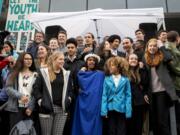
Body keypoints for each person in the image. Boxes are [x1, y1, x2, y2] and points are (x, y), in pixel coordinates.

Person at [32, 51, 73, 135]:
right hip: (46, 108)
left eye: (63, 59)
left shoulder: (66, 74)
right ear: (54, 60)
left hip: (62, 109)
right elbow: (36, 89)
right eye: (60, 59)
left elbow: (70, 90)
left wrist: (69, 99)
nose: (62, 61)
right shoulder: (43, 72)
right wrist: (41, 101)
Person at [143, 38, 178, 135]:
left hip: (162, 92)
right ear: (147, 47)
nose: (152, 48)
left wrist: (162, 46)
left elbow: (169, 57)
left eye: (154, 46)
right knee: (154, 121)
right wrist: (145, 92)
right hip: (151, 93)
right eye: (150, 46)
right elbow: (145, 79)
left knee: (162, 121)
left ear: (157, 47)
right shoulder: (145, 58)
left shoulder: (162, 56)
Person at [72, 53, 104, 135]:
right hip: (83, 102)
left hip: (95, 103)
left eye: (93, 60)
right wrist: (81, 71)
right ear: (86, 62)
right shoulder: (81, 73)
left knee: (95, 124)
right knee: (81, 122)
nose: (92, 62)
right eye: (89, 60)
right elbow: (76, 84)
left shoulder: (100, 74)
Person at [5, 52, 37, 133]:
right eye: (26, 59)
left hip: (29, 109)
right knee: (15, 131)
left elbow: (36, 93)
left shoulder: (36, 75)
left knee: (28, 132)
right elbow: (8, 88)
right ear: (21, 60)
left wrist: (31, 107)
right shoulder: (14, 73)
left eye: (30, 59)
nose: (29, 61)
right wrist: (20, 96)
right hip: (15, 108)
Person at [101, 56, 132, 135]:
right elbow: (104, 95)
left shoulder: (125, 80)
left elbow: (128, 96)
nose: (110, 67)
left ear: (118, 67)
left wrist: (128, 111)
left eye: (112, 65)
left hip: (122, 108)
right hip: (110, 108)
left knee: (122, 130)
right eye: (109, 65)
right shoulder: (107, 79)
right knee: (111, 130)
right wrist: (104, 111)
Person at [126, 53, 149, 135]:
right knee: (129, 125)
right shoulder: (124, 71)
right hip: (128, 102)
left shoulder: (140, 70)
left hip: (139, 102)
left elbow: (145, 82)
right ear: (127, 60)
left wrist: (142, 69)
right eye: (131, 58)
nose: (134, 60)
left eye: (135, 59)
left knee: (138, 125)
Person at [166, 31, 180, 135]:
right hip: (174, 85)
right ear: (177, 38)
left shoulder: (170, 48)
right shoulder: (170, 49)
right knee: (176, 113)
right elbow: (175, 67)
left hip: (174, 84)